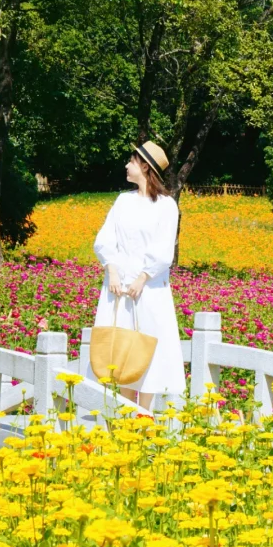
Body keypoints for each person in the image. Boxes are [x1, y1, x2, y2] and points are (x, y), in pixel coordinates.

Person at [92, 141, 185, 408]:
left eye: (131, 161)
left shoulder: (166, 206)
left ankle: (143, 414)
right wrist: (111, 269)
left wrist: (143, 277)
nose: (127, 165)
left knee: (148, 351)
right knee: (119, 351)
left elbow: (163, 248)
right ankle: (123, 415)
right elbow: (105, 238)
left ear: (145, 166)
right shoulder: (123, 201)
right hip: (118, 289)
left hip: (150, 290)